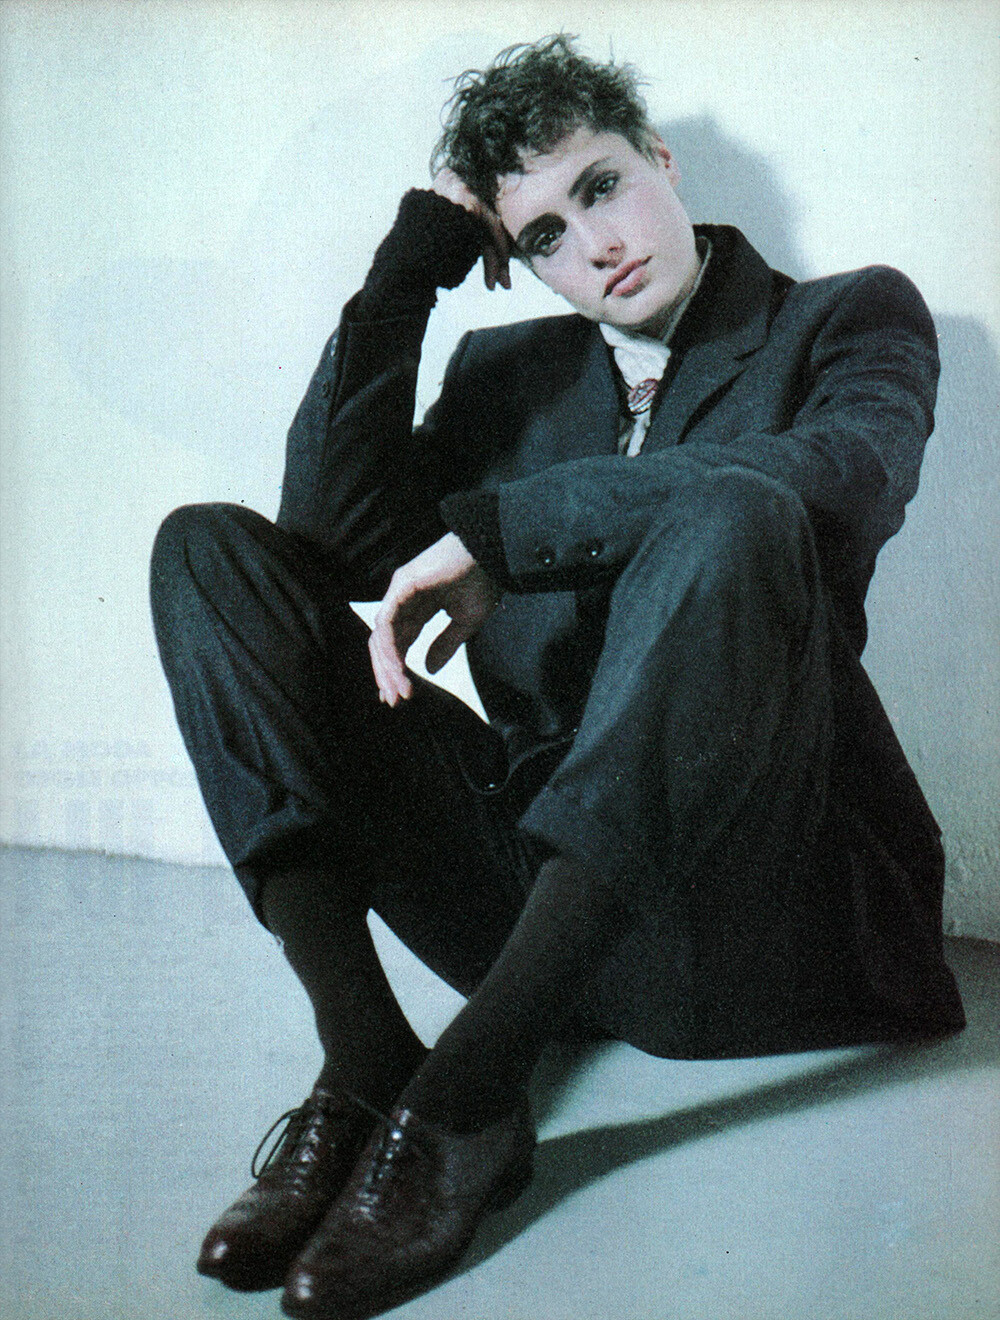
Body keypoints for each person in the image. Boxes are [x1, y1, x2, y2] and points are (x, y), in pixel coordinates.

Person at [150, 34, 965, 1320]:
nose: (594, 246)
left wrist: (506, 534)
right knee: (210, 554)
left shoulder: (847, 316)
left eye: (600, 187)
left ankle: (464, 1098)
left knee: (735, 512)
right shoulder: (509, 377)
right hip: (547, 920)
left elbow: (841, 477)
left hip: (770, 912)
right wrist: (413, 265)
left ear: (659, 161)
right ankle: (365, 1063)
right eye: (541, 235)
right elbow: (330, 531)